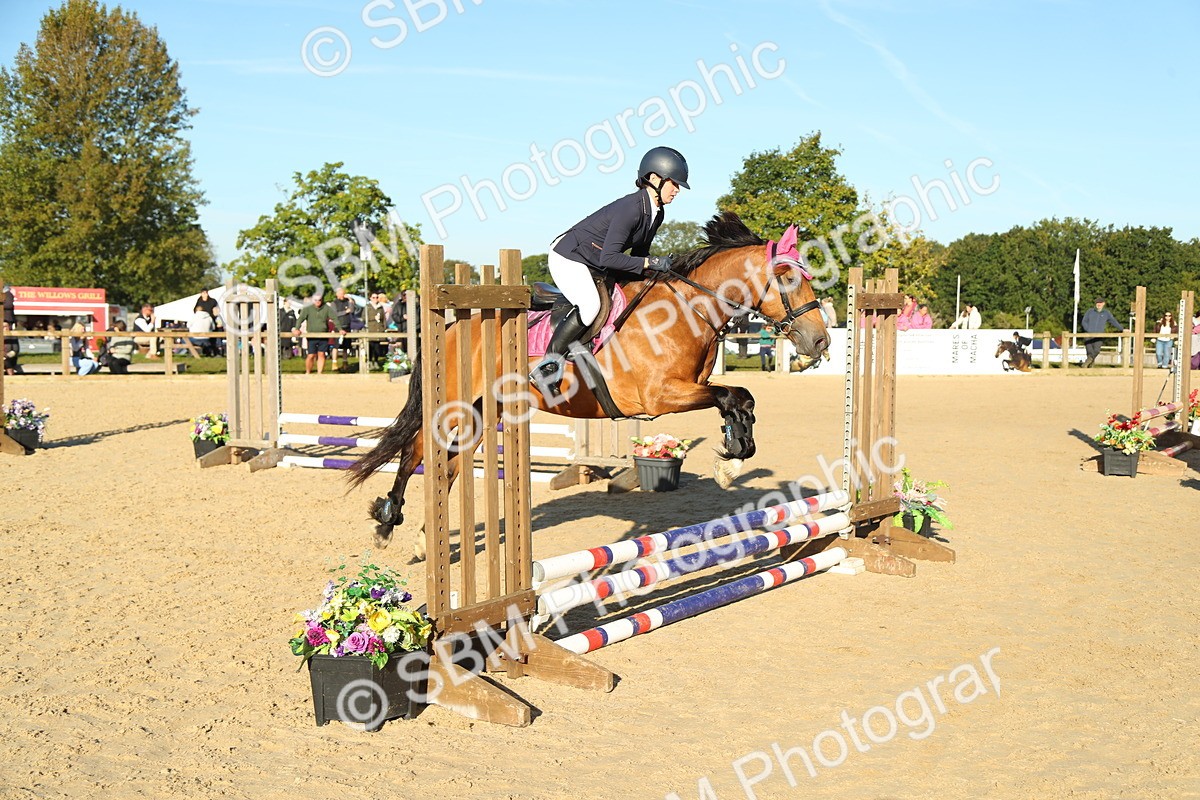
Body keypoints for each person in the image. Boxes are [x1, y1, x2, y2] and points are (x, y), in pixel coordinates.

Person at [529, 146, 688, 397]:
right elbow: (611, 257)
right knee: (590, 305)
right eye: (674, 184)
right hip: (569, 257)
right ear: (655, 179)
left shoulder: (656, 213)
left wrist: (659, 271)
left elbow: (638, 257)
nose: (677, 190)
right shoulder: (631, 208)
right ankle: (548, 366)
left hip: (595, 262)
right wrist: (650, 263)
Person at [292, 295, 344, 375]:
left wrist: (340, 329)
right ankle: (308, 372)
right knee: (311, 355)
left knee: (321, 354)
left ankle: (320, 373)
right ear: (312, 300)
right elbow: (301, 318)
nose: (317, 301)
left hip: (323, 335)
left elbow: (334, 318)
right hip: (311, 335)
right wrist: (297, 328)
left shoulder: (326, 308)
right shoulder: (307, 308)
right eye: (315, 300)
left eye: (319, 300)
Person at [1080, 297, 1124, 368]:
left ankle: (1087, 362)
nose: (1098, 304)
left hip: (1099, 335)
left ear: (1103, 304)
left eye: (1100, 303)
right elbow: (1084, 321)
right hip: (1088, 335)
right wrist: (1088, 329)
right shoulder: (1090, 311)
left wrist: (1122, 329)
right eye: (1097, 303)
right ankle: (1090, 365)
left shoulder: (1106, 313)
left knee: (1096, 350)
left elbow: (1113, 321)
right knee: (1090, 351)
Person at [329, 286, 357, 367]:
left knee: (346, 346)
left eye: (343, 293)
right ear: (337, 295)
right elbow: (334, 314)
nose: (342, 295)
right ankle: (334, 362)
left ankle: (345, 362)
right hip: (338, 326)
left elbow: (351, 310)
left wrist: (350, 300)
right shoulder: (334, 303)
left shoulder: (347, 302)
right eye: (341, 294)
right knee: (336, 346)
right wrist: (345, 312)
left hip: (347, 326)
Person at [364, 292, 388, 364]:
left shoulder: (380, 307)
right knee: (371, 346)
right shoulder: (367, 307)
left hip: (379, 329)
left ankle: (376, 361)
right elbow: (363, 317)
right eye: (373, 297)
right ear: (370, 298)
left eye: (377, 297)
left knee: (377, 347)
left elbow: (384, 319)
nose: (375, 299)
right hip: (371, 329)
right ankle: (371, 361)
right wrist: (373, 318)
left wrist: (384, 328)